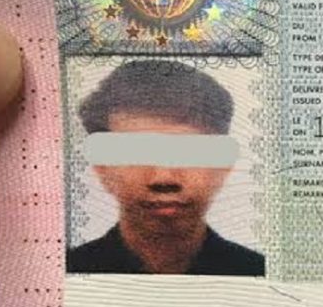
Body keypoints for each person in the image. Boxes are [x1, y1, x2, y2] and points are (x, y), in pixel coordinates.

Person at [66, 60, 265, 275]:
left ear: (224, 164)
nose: (164, 178)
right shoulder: (65, 272)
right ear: (102, 167)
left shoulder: (259, 272)